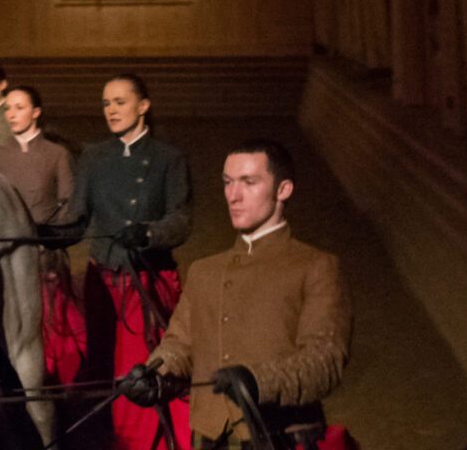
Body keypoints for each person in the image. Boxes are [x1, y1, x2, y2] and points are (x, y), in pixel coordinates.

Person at [122, 139, 351, 450]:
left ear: (283, 190)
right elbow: (180, 344)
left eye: (249, 182)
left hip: (280, 438)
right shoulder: (205, 270)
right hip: (211, 438)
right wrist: (156, 374)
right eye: (228, 183)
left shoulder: (316, 266)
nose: (233, 195)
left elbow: (324, 361)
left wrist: (258, 381)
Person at [51, 73, 193, 450]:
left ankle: (149, 439)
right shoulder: (94, 157)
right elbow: (78, 220)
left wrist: (149, 234)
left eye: (120, 102)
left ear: (143, 106)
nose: (111, 111)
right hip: (103, 278)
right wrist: (48, 234)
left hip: (147, 280)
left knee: (144, 370)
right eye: (106, 104)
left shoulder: (169, 159)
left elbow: (180, 219)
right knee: (98, 362)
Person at [0, 84, 85, 384]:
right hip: (4, 258)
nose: (12, 114)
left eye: (19, 107)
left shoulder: (57, 154)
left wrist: (47, 234)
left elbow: (69, 204)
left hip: (45, 259)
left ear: (36, 112)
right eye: (8, 109)